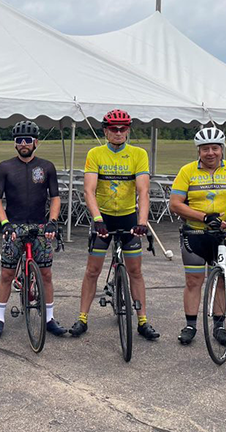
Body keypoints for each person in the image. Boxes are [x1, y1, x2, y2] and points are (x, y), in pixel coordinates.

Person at [68, 109, 160, 340]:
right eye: (113, 129)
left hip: (129, 218)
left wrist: (142, 222)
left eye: (123, 129)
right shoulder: (96, 153)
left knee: (135, 271)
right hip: (104, 218)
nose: (118, 133)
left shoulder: (138, 154)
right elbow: (88, 190)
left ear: (128, 130)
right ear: (105, 131)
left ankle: (142, 321)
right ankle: (82, 318)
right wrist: (97, 220)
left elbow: (143, 191)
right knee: (92, 271)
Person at [169, 127, 226, 346]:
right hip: (194, 235)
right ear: (199, 151)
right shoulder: (187, 171)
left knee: (222, 281)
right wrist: (204, 217)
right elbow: (175, 204)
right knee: (193, 281)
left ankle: (219, 326)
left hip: (223, 236)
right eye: (205, 149)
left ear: (222, 149)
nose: (210, 153)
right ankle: (190, 325)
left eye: (215, 148)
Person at [0, 120, 66, 338]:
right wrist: (4, 223)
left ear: (36, 142)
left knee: (46, 274)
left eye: (28, 140)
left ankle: (49, 318)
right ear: (15, 144)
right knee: (6, 273)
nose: (23, 144)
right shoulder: (5, 167)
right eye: (19, 141)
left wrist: (52, 221)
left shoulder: (47, 167)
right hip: (14, 226)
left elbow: (55, 198)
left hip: (40, 226)